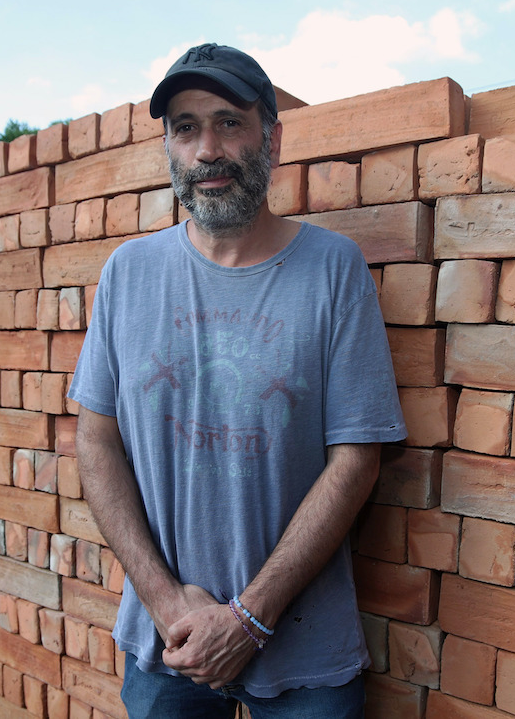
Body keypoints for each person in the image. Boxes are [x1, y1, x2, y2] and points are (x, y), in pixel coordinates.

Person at [68, 43, 406, 718]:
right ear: (169, 146)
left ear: (272, 138)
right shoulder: (127, 275)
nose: (207, 150)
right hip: (171, 644)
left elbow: (356, 461)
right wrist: (166, 602)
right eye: (186, 128)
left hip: (304, 648)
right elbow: (95, 442)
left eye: (229, 122)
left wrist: (250, 618)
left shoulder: (333, 271)